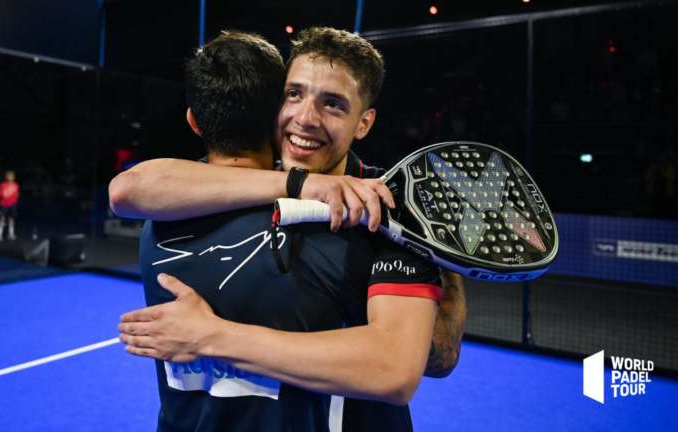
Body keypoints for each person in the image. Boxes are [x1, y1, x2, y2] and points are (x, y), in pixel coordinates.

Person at [114, 27, 466, 431]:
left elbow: (409, 365)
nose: (305, 119)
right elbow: (128, 189)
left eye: (333, 104)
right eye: (294, 94)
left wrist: (211, 337)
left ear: (364, 123)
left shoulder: (386, 208)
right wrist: (301, 183)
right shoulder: (221, 186)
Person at [0, 169, 19, 241]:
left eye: (11, 176)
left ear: (14, 177)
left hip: (12, 205)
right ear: (6, 177)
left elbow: (16, 195)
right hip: (4, 204)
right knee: (2, 219)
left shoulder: (16, 185)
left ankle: (11, 234)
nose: (10, 177)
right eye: (9, 176)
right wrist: (5, 195)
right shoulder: (2, 185)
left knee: (11, 219)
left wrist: (15, 198)